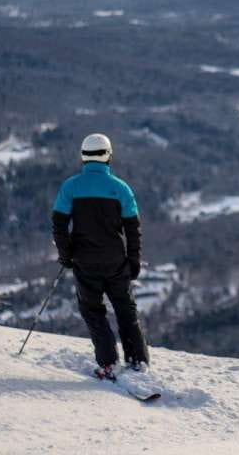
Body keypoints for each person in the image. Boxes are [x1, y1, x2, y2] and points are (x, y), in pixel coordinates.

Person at [51, 133, 149, 380]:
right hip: (117, 262)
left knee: (93, 312)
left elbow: (59, 224)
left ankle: (108, 363)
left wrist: (66, 255)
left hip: (84, 263)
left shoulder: (70, 187)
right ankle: (138, 360)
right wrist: (134, 261)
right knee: (126, 310)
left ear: (83, 156)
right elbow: (133, 229)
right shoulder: (121, 188)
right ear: (108, 155)